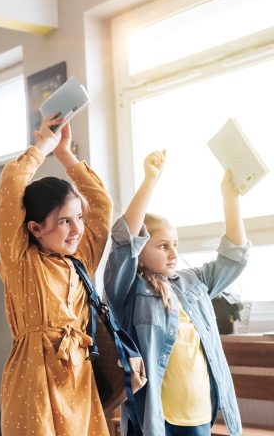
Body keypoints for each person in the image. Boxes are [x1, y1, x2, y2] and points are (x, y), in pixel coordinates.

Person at [104, 150, 249, 436]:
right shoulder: (129, 290)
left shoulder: (193, 282)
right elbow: (124, 241)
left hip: (198, 413)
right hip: (155, 419)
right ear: (140, 252)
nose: (174, 254)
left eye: (176, 245)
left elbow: (234, 257)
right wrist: (150, 180)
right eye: (162, 246)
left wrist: (230, 199)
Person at [0, 118, 113, 435]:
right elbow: (12, 186)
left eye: (78, 218)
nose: (76, 229)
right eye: (64, 221)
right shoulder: (21, 261)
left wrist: (65, 154)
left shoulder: (81, 260)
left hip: (79, 378)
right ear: (34, 228)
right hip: (34, 382)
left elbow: (101, 205)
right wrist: (44, 147)